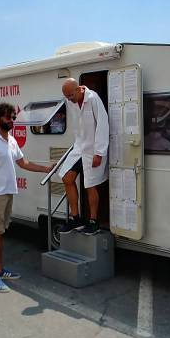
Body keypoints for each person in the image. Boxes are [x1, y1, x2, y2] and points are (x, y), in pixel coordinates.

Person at [0, 103, 52, 293]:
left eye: (13, 118)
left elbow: (23, 162)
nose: (12, 121)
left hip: (8, 192)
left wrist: (45, 168)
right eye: (9, 118)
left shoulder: (10, 140)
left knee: (0, 234)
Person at [56, 78, 109, 235]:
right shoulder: (72, 102)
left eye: (70, 96)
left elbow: (102, 124)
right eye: (66, 97)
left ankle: (93, 221)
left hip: (93, 149)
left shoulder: (93, 99)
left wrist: (99, 152)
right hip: (79, 147)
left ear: (79, 89)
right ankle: (75, 218)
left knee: (90, 184)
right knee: (66, 177)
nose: (69, 99)